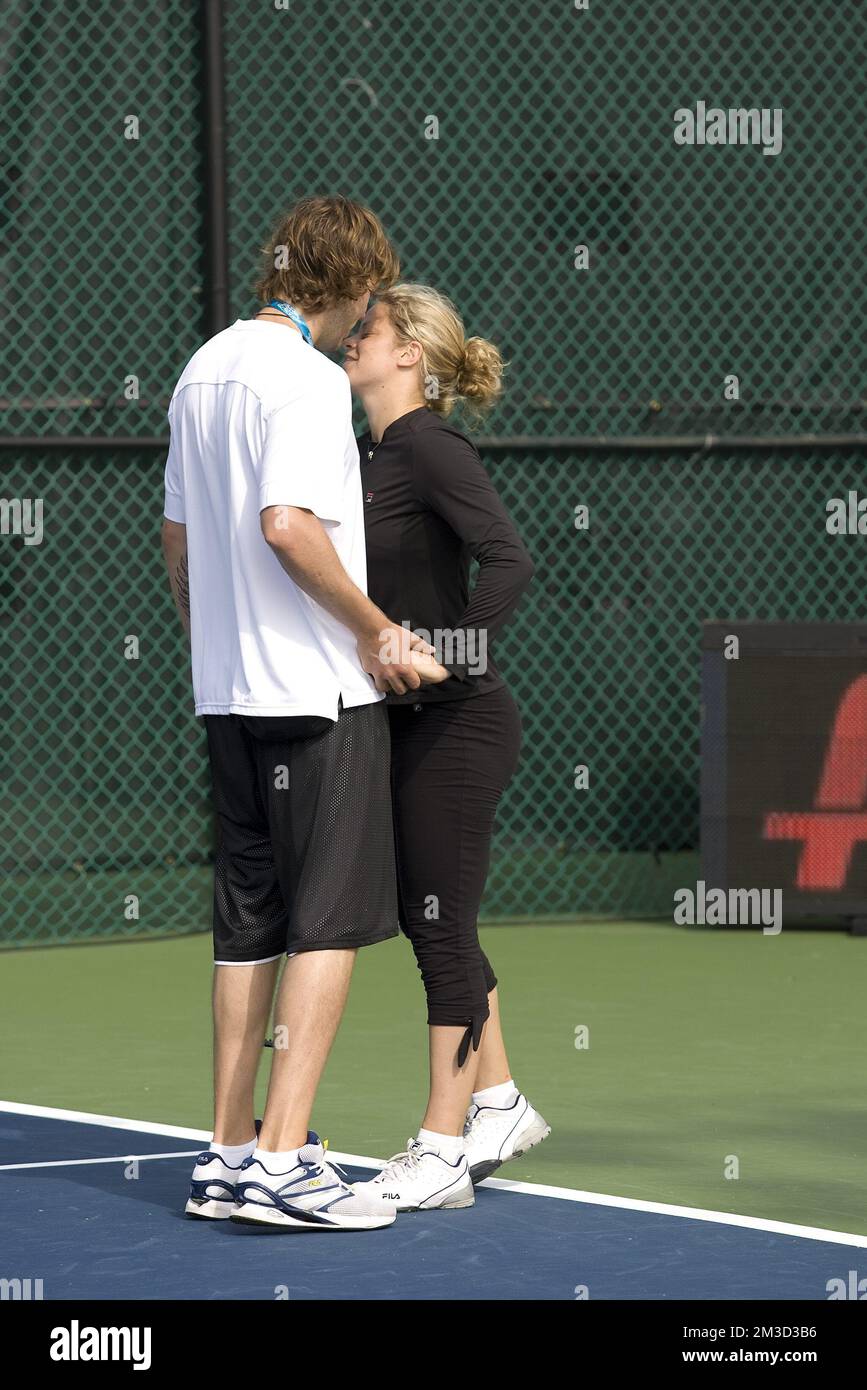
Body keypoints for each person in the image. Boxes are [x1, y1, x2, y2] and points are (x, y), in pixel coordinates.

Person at [161, 195, 430, 1231]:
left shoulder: (199, 370)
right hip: (319, 699)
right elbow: (286, 526)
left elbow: (180, 542)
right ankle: (281, 1160)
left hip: (227, 696)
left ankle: (227, 1154)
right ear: (351, 286)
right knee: (329, 923)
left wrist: (211, 644)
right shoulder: (312, 382)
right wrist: (375, 631)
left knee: (247, 927)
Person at [341, 284, 550, 1212]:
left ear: (409, 355)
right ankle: (498, 1102)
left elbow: (509, 557)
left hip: (459, 724)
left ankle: (441, 1151)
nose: (353, 340)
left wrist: (448, 652)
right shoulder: (365, 454)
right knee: (438, 917)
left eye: (368, 330)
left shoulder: (429, 447)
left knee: (436, 929)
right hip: (408, 726)